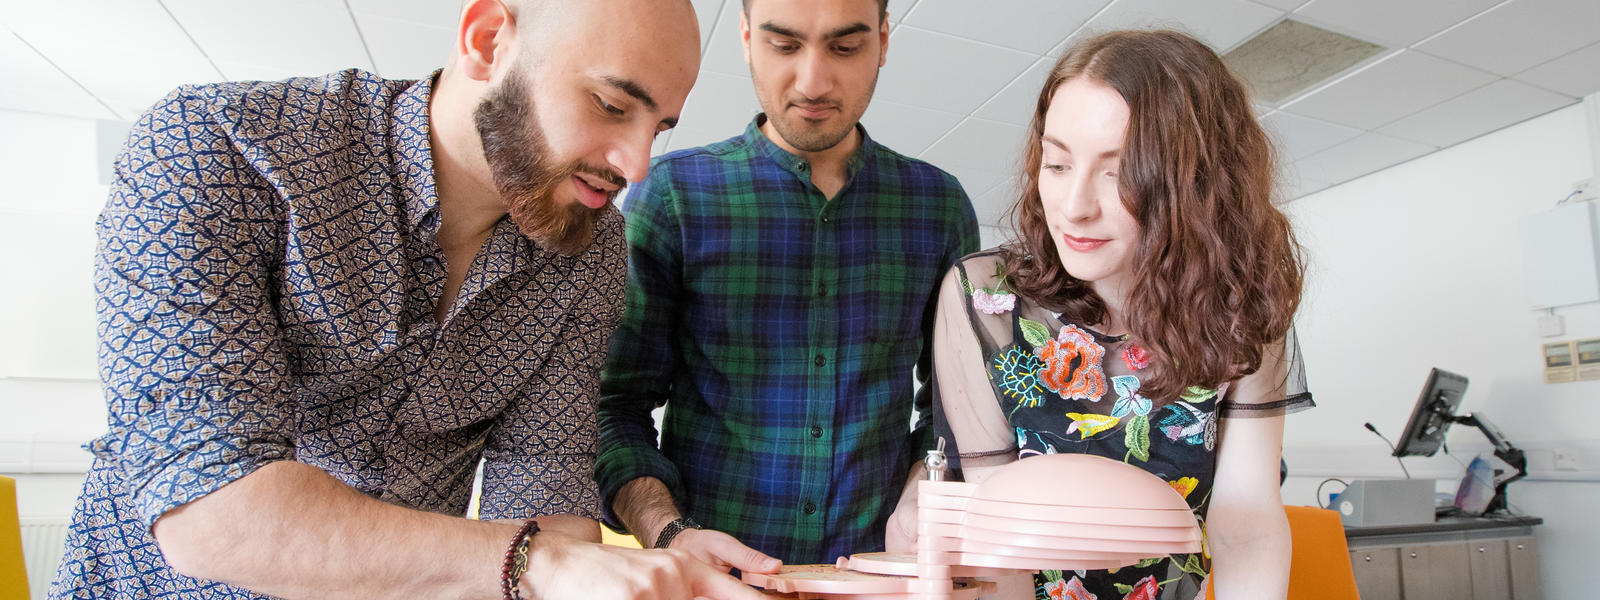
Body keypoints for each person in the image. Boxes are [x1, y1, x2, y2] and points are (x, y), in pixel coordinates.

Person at [49, 1, 763, 598]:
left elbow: (545, 491)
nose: (635, 164)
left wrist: (598, 573)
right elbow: (212, 510)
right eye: (611, 105)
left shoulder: (588, 251)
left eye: (659, 127)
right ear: (487, 41)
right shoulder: (219, 148)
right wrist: (534, 562)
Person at [886, 30, 1313, 600]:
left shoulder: (1240, 304)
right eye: (1058, 164)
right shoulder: (989, 299)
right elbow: (1000, 533)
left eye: (1118, 172)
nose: (1075, 207)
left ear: (1198, 184)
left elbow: (1246, 523)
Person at [594, 0, 980, 570]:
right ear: (747, 38)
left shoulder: (939, 207)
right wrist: (670, 532)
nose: (813, 80)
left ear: (882, 41)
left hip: (875, 577)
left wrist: (924, 493)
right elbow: (612, 404)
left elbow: (959, 408)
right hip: (711, 580)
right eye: (784, 45)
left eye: (845, 47)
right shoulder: (674, 197)